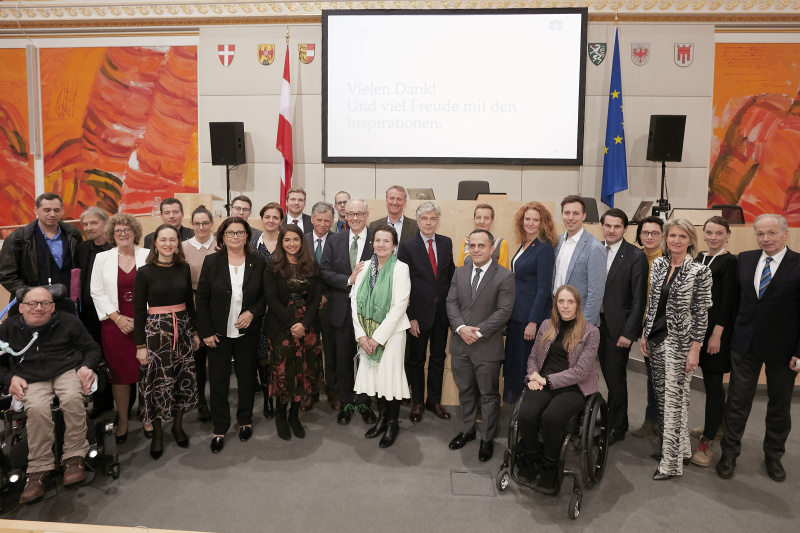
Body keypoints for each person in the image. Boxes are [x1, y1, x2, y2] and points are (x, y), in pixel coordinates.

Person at [717, 214, 800, 483]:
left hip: (784, 351)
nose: (766, 238)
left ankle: (773, 456)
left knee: (779, 406)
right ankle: (729, 453)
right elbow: (735, 303)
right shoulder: (745, 259)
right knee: (737, 402)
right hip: (745, 345)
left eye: (772, 233)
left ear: (786, 234)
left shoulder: (798, 264)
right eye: (761, 233)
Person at [0, 286, 101, 504]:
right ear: (21, 307)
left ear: (53, 306)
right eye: (32, 304)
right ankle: (39, 469)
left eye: (45, 303)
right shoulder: (9, 327)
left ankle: (74, 457)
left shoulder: (68, 321)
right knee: (36, 409)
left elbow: (92, 348)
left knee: (73, 399)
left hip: (65, 369)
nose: (39, 308)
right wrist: (10, 380)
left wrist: (86, 366)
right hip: (29, 375)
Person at [639, 219, 712, 480]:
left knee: (674, 402)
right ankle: (679, 450)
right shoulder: (659, 264)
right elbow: (653, 303)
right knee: (663, 399)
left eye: (682, 236)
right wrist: (645, 334)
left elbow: (701, 314)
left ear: (691, 240)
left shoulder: (700, 271)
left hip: (681, 344)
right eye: (672, 236)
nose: (676, 241)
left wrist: (695, 350)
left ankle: (670, 464)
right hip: (656, 339)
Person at [516, 284, 600, 493]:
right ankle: (532, 458)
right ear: (556, 305)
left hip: (573, 387)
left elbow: (580, 372)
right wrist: (533, 376)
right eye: (561, 301)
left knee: (552, 417)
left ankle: (549, 467)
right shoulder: (546, 325)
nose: (565, 306)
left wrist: (546, 380)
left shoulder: (591, 333)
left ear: (578, 305)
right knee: (526, 413)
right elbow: (534, 357)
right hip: (543, 381)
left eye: (570, 302)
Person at [197, 217, 266, 453]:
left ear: (247, 236)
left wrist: (253, 313)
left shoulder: (258, 262)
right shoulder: (211, 262)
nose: (235, 237)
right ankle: (220, 426)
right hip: (217, 333)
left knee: (246, 379)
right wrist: (205, 331)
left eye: (240, 233)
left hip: (247, 331)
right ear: (222, 237)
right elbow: (202, 298)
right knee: (218, 381)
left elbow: (265, 296)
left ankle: (245, 420)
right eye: (230, 233)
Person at [445, 229, 515, 462]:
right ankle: (467, 431)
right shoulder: (460, 272)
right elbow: (451, 302)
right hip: (460, 343)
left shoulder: (504, 276)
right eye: (472, 246)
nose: (475, 250)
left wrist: (479, 332)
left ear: (491, 249)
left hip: (487, 347)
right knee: (465, 391)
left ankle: (487, 438)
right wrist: (460, 329)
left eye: (481, 246)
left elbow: (504, 311)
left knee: (488, 395)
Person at [134, 224, 200, 460]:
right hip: (156, 334)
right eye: (163, 240)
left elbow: (189, 303)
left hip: (181, 329)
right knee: (159, 382)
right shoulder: (144, 272)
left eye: (173, 240)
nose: (168, 244)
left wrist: (194, 331)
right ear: (155, 243)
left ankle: (178, 425)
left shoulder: (183, 268)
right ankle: (159, 431)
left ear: (177, 243)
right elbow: (139, 310)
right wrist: (140, 346)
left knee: (182, 378)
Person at [351, 225, 412, 447]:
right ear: (372, 243)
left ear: (394, 244)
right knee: (376, 379)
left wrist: (377, 338)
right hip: (366, 333)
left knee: (390, 378)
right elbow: (354, 301)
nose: (381, 245)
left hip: (392, 335)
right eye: (377, 240)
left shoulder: (401, 268)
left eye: (386, 241)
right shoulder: (364, 267)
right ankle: (382, 419)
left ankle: (393, 423)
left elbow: (399, 307)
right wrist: (361, 336)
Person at [90, 213, 148, 444]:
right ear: (112, 235)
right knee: (121, 375)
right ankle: (123, 420)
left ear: (135, 232)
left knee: (146, 373)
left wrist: (143, 319)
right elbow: (96, 291)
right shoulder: (102, 258)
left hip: (146, 320)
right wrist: (117, 318)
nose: (123, 234)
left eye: (127, 230)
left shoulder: (147, 255)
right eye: (118, 231)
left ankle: (147, 417)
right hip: (114, 324)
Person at [320, 198, 377, 425]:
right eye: (350, 214)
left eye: (359, 214)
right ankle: (346, 403)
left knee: (366, 361)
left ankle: (364, 403)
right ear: (344, 216)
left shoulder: (378, 239)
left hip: (369, 314)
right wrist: (348, 279)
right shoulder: (334, 241)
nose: (354, 218)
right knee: (343, 361)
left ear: (367, 214)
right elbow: (324, 271)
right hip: (341, 311)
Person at [264, 225, 323, 440]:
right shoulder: (273, 265)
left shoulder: (311, 264)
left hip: (307, 327)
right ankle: (281, 415)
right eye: (287, 240)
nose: (291, 244)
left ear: (301, 242)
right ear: (281, 242)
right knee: (284, 372)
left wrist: (304, 324)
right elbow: (271, 298)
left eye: (295, 239)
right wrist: (292, 324)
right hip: (282, 327)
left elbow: (316, 297)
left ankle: (294, 416)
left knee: (302, 371)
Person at [397, 201, 454, 423]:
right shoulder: (407, 246)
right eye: (424, 219)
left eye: (433, 219)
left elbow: (448, 277)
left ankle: (434, 401)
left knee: (438, 358)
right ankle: (418, 402)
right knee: (416, 361)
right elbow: (403, 284)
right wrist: (410, 317)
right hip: (418, 316)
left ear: (437, 221)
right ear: (418, 221)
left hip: (442, 313)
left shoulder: (446, 243)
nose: (429, 223)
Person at [689, 216, 737, 467]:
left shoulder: (730, 262)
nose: (714, 237)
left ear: (727, 234)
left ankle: (706, 442)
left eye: (719, 233)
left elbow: (727, 300)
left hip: (715, 334)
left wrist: (717, 334)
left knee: (714, 384)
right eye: (709, 232)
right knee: (706, 384)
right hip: (696, 331)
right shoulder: (698, 259)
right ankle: (716, 426)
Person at [598, 208, 647, 446]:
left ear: (625, 229)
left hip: (617, 330)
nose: (611, 230)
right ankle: (599, 417)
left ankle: (618, 425)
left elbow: (639, 298)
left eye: (617, 226)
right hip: (591, 325)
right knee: (589, 375)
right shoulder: (595, 248)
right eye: (608, 225)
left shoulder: (635, 255)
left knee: (615, 379)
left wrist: (629, 332)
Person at [504, 201, 557, 404]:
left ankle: (528, 407)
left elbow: (544, 288)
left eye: (536, 220)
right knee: (516, 364)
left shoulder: (544, 248)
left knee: (529, 366)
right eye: (528, 219)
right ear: (521, 221)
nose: (531, 223)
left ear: (543, 223)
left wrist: (533, 322)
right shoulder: (525, 244)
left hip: (531, 319)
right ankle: (519, 407)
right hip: (517, 315)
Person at [0, 192, 83, 296]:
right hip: (33, 305)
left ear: (62, 210)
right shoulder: (17, 238)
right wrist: (30, 294)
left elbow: (80, 268)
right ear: (36, 210)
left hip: (67, 301)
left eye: (56, 210)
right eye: (47, 210)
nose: (52, 214)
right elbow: (6, 275)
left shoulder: (74, 235)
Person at [74, 207, 112, 417]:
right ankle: (101, 403)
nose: (89, 228)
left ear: (106, 222)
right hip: (88, 314)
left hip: (111, 313)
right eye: (85, 224)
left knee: (115, 357)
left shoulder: (116, 247)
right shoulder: (82, 248)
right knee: (94, 357)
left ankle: (125, 403)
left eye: (93, 223)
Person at [182, 205, 217, 423]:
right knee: (198, 356)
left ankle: (218, 399)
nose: (201, 227)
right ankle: (201, 402)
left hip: (218, 305)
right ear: (191, 225)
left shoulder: (221, 245)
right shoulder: (182, 247)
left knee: (218, 357)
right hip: (193, 306)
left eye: (205, 223)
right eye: (197, 223)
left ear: (211, 223)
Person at [630, 216, 664, 439]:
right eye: (645, 233)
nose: (649, 237)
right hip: (643, 327)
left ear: (662, 235)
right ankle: (651, 420)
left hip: (663, 329)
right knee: (652, 376)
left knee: (664, 379)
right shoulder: (635, 257)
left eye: (654, 233)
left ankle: (664, 425)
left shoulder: (669, 260)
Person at [305, 201, 340, 411]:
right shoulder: (301, 240)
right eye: (319, 220)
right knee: (310, 350)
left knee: (331, 350)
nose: (323, 224)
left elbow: (341, 272)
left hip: (331, 304)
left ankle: (333, 391)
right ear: (311, 220)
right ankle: (311, 391)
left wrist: (326, 296)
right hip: (307, 307)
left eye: (327, 220)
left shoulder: (339, 241)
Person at [552, 195, 606, 327]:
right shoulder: (556, 242)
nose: (570, 218)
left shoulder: (595, 248)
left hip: (579, 320)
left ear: (584, 216)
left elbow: (596, 293)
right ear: (562, 215)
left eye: (576, 213)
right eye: (567, 213)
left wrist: (585, 325)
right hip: (556, 316)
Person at [253, 202, 283, 419]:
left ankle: (284, 396)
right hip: (260, 310)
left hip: (284, 311)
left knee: (282, 355)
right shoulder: (252, 246)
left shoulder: (289, 243)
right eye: (267, 217)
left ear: (281, 221)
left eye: (275, 217)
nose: (271, 221)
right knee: (263, 356)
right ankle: (267, 398)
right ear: (261, 219)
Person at [456, 204, 509, 269]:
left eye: (486, 218)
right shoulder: (466, 241)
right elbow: (460, 270)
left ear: (492, 220)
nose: (481, 221)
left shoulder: (501, 244)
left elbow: (503, 274)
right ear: (474, 220)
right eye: (478, 217)